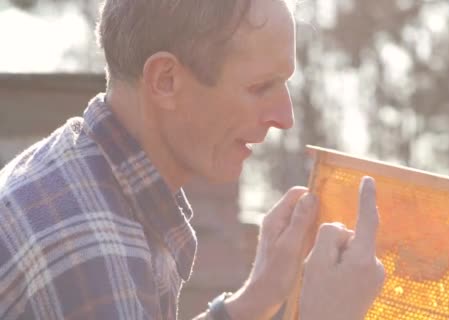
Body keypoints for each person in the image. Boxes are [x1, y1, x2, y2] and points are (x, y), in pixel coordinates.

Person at [0, 0, 385, 319]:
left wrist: (257, 298)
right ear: (165, 79)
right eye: (260, 87)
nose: (284, 117)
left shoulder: (87, 178)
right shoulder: (89, 244)